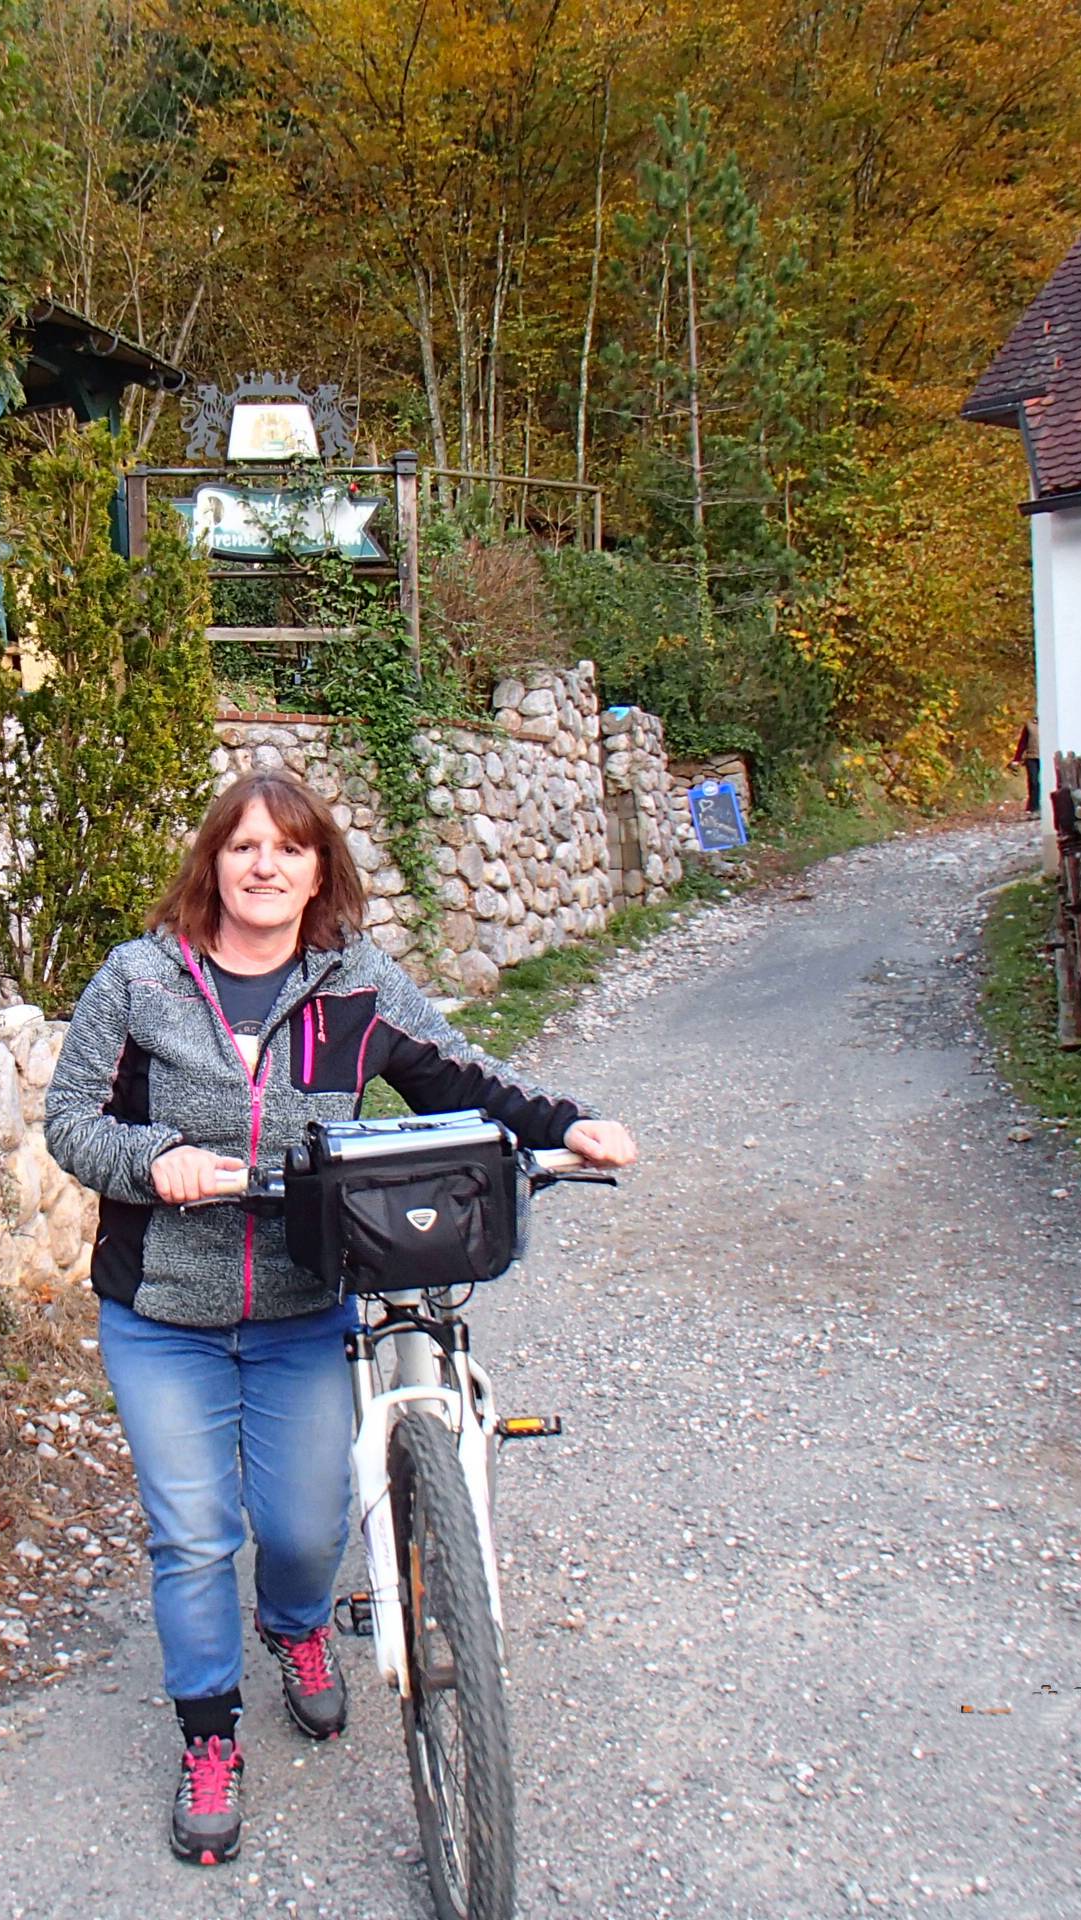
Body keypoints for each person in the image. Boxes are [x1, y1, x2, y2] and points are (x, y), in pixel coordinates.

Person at [44, 771, 638, 1866]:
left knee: (307, 1528)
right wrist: (155, 1158)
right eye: (243, 846)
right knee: (193, 1534)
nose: (264, 866)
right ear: (213, 863)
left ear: (320, 870)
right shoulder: (138, 978)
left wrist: (568, 1124)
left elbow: (458, 1077)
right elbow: (70, 1120)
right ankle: (209, 1735)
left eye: (288, 848)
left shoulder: (353, 981)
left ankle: (297, 1626)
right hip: (161, 1313)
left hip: (304, 1306)